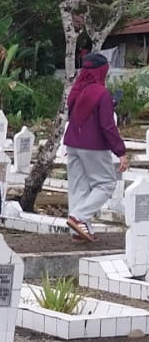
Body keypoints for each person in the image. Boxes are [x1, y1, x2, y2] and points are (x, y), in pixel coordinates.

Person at [64, 53, 128, 242]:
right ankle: (78, 218)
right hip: (93, 145)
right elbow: (107, 125)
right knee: (106, 183)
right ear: (102, 71)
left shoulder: (76, 90)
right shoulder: (102, 93)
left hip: (73, 143)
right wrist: (120, 151)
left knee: (79, 187)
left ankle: (79, 231)